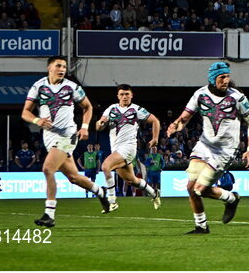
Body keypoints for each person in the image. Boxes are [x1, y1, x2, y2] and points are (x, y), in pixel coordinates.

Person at [166, 61, 249, 234]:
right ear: (212, 78)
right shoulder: (200, 95)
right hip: (204, 145)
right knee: (190, 188)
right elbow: (185, 118)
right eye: (222, 77)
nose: (226, 80)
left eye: (227, 76)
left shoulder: (237, 97)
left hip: (225, 150)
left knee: (200, 189)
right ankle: (201, 226)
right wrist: (175, 125)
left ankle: (231, 198)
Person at [22, 55, 108, 227]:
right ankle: (101, 192)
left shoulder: (72, 86)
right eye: (59, 66)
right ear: (49, 68)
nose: (62, 69)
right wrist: (37, 121)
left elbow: (88, 107)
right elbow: (25, 113)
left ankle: (49, 213)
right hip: (49, 137)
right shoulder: (38, 86)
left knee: (47, 169)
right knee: (74, 177)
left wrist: (84, 126)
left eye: (64, 67)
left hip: (68, 135)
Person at [95, 84, 161, 211]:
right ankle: (154, 193)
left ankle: (112, 201)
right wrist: (99, 123)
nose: (124, 97)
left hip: (129, 148)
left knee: (105, 166)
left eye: (127, 94)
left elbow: (155, 121)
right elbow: (100, 126)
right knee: (132, 181)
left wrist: (155, 138)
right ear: (118, 96)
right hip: (116, 149)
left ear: (131, 95)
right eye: (122, 94)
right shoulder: (111, 109)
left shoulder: (137, 110)